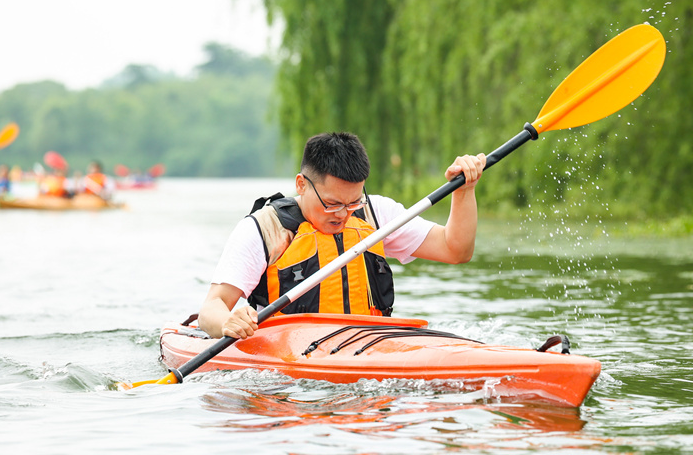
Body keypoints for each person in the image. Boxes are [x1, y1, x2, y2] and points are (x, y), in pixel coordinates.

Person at [199, 132, 486, 339]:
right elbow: (211, 310)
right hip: (289, 356)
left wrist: (464, 191)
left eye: (353, 202)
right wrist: (229, 321)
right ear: (302, 184)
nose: (343, 214)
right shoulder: (263, 229)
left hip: (369, 343)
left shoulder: (377, 214)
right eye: (332, 203)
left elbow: (455, 250)